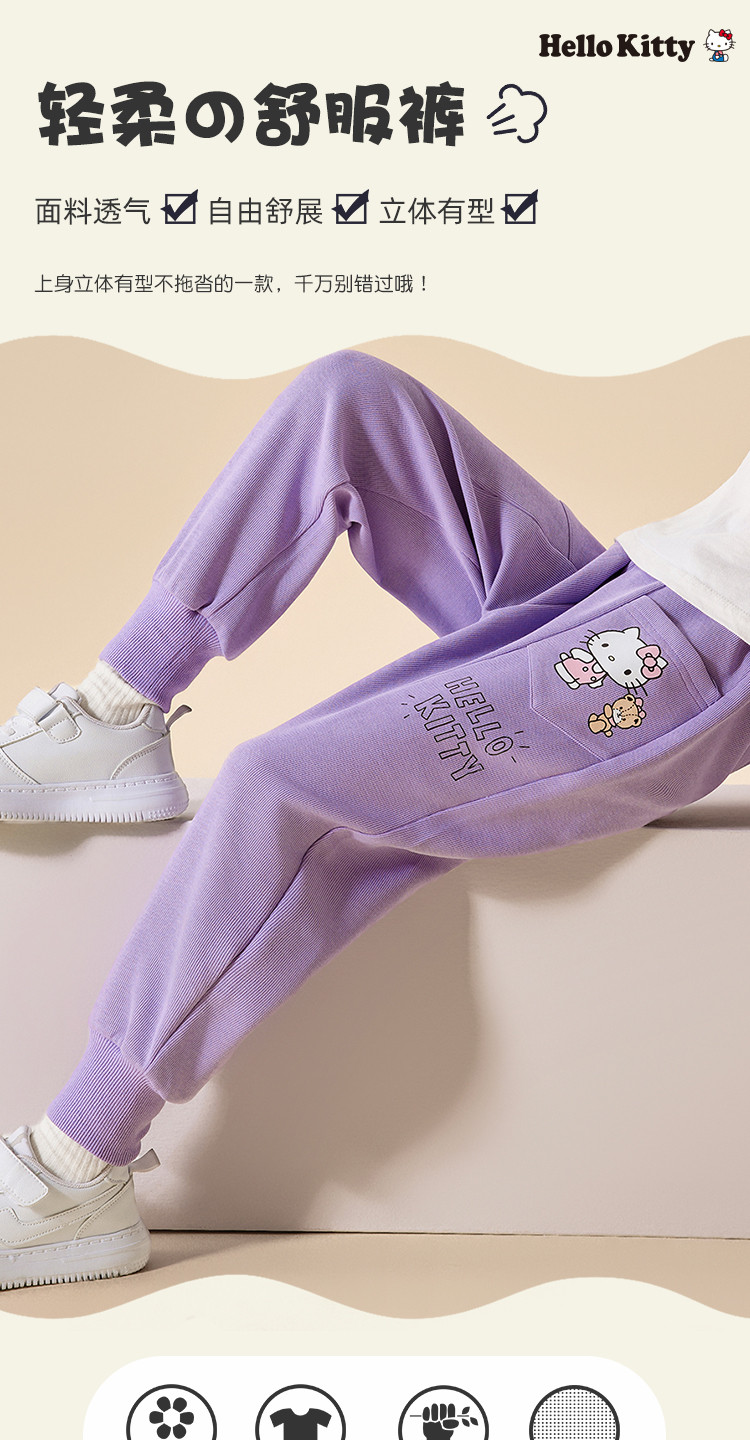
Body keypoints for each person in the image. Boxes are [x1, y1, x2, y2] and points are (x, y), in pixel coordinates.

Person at [2, 348, 749, 1291]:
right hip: (637, 578)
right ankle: (117, 706)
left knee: (276, 783)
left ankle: (76, 1168)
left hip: (698, 653)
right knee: (349, 401)